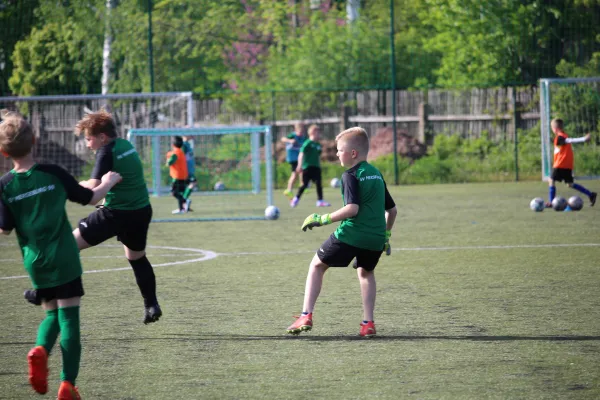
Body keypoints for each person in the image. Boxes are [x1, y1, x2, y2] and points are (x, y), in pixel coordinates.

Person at [0, 110, 122, 399]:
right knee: (69, 319)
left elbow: (4, 229)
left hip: (35, 261)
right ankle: (68, 384)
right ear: (35, 142)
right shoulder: (53, 173)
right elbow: (90, 197)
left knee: (51, 314)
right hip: (64, 256)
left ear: (4, 151)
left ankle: (41, 349)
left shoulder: (4, 186)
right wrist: (109, 181)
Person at [286, 127, 397, 337]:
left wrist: (321, 219)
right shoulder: (375, 173)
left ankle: (306, 315)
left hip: (352, 234)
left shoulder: (350, 175)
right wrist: (386, 236)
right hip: (375, 238)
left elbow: (352, 209)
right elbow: (392, 211)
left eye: (339, 150)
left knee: (317, 265)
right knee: (366, 273)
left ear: (352, 153)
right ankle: (368, 323)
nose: (337, 154)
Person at [545, 118, 597, 208]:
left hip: (560, 164)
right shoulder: (564, 135)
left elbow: (569, 140)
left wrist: (583, 139)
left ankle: (551, 202)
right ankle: (590, 194)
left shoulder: (560, 137)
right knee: (570, 184)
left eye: (551, 128)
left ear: (555, 129)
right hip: (568, 165)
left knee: (551, 180)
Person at [289, 124, 330, 208]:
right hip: (307, 167)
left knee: (319, 183)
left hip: (316, 167)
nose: (319, 134)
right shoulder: (307, 143)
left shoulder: (318, 145)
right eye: (317, 132)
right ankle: (296, 199)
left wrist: (319, 165)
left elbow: (318, 156)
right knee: (304, 185)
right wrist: (299, 165)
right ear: (312, 132)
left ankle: (320, 201)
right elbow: (301, 153)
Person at [281, 122, 306, 197]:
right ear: (296, 130)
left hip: (299, 158)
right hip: (293, 158)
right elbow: (283, 139)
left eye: (302, 131)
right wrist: (290, 141)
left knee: (301, 172)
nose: (301, 132)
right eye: (299, 131)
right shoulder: (292, 135)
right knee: (295, 174)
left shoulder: (303, 137)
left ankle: (302, 186)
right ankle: (289, 190)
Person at [166, 136, 189, 214]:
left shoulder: (175, 153)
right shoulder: (181, 152)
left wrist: (168, 159)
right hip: (183, 176)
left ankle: (185, 201)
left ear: (173, 144)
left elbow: (170, 162)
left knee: (174, 192)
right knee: (180, 192)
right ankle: (181, 209)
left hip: (177, 176)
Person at [181, 135, 196, 212]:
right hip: (187, 170)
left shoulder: (187, 144)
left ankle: (184, 204)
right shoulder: (183, 145)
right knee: (192, 183)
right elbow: (181, 157)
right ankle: (184, 201)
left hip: (190, 169)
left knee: (189, 184)